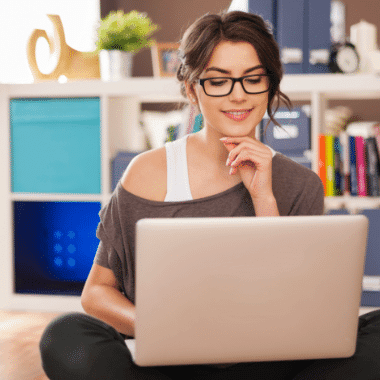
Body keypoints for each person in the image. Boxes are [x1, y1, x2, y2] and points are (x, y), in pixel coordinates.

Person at [39, 10, 380, 380]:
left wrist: (264, 197)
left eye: (253, 79)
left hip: (267, 362)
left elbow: (296, 307)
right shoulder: (147, 173)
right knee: (66, 336)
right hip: (172, 364)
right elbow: (96, 293)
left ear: (270, 85)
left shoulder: (300, 184)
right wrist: (165, 332)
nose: (239, 95)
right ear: (191, 89)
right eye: (218, 81)